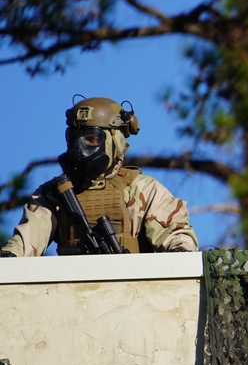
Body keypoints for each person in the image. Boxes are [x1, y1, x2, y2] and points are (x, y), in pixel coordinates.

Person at [1, 96, 198, 256]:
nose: (80, 148)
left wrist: (180, 249)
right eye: (75, 139)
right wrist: (11, 255)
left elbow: (177, 237)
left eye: (91, 139)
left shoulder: (142, 189)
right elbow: (25, 242)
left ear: (115, 141)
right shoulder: (55, 195)